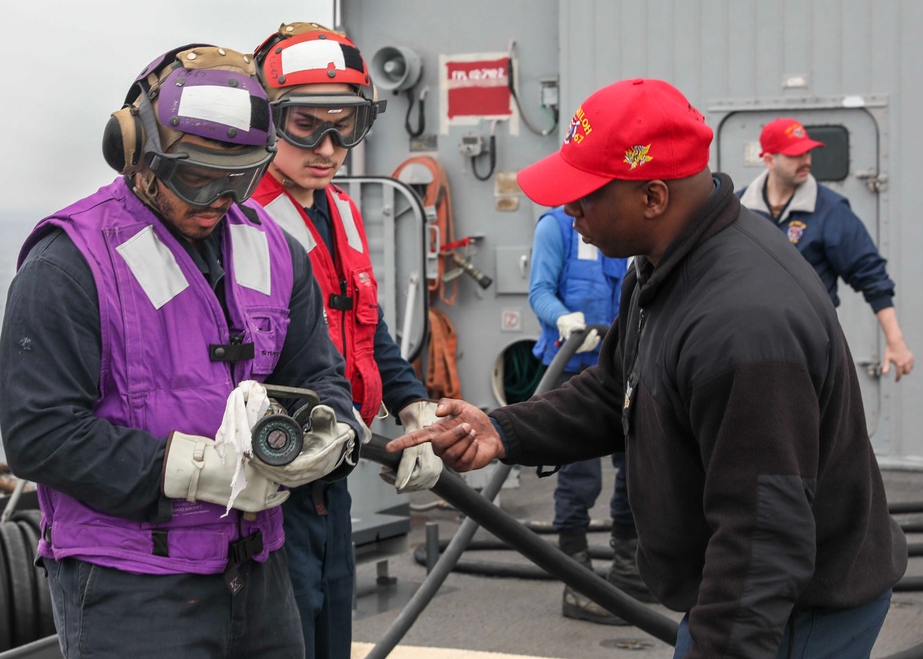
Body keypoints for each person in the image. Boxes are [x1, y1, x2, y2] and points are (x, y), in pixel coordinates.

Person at [387, 78, 908, 658]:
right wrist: (502, 429)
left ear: (653, 198)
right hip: (743, 591)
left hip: (793, 613)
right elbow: (615, 393)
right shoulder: (662, 266)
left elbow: (764, 536)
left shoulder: (745, 324)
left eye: (585, 194)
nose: (568, 209)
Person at [0, 43, 369, 659]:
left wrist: (327, 436)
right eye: (196, 177)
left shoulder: (277, 252)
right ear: (136, 152)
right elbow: (39, 434)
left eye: (241, 176)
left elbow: (318, 378)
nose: (218, 200)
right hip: (131, 585)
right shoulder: (67, 266)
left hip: (261, 570)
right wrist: (196, 471)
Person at [250, 22, 443, 659]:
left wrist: (413, 405)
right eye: (307, 126)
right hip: (275, 480)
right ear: (266, 119)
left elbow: (365, 323)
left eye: (346, 125)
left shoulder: (340, 209)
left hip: (337, 468)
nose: (330, 147)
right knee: (289, 632)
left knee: (333, 627)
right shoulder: (241, 220)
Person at [529, 206, 652, 624]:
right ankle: (577, 580)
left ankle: (629, 570)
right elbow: (540, 289)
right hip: (571, 360)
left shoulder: (618, 223)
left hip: (621, 364)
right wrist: (563, 319)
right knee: (579, 473)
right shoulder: (556, 227)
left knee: (636, 462)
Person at [737, 117, 914, 380]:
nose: (806, 160)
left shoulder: (830, 210)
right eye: (795, 154)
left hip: (810, 345)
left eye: (807, 151)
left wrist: (895, 340)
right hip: (748, 346)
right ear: (769, 160)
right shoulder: (738, 208)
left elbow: (870, 274)